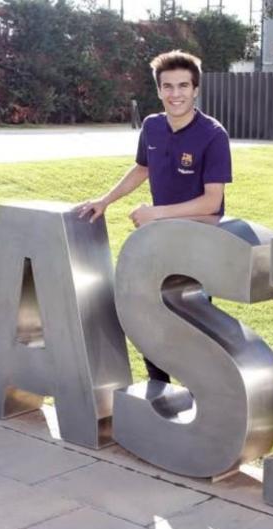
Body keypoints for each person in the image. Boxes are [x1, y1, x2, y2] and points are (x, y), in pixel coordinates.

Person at [77, 49, 232, 385]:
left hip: (196, 242)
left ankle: (202, 394)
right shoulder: (151, 126)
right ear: (158, 90)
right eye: (168, 87)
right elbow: (142, 168)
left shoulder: (213, 134)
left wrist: (155, 213)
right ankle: (159, 391)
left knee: (191, 322)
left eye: (183, 86)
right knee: (147, 313)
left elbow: (212, 201)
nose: (175, 94)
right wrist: (105, 200)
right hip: (158, 240)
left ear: (195, 90)